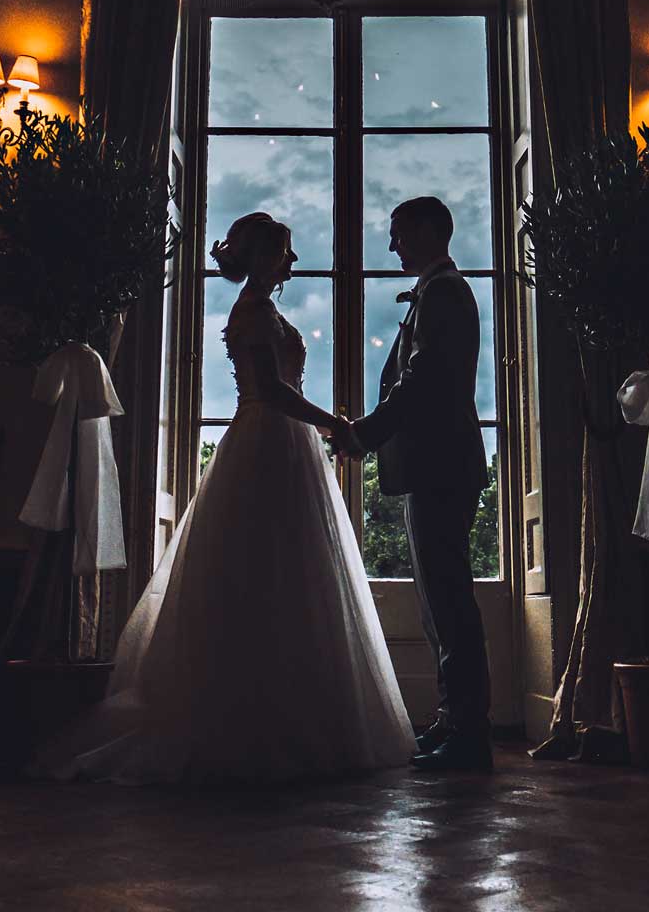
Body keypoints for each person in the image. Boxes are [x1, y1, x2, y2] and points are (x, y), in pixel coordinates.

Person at [33, 212, 413, 784]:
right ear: (260, 256)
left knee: (292, 576)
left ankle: (294, 718)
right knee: (263, 575)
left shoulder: (265, 310)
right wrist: (336, 426)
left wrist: (324, 430)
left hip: (283, 446)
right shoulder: (253, 313)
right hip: (266, 443)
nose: (292, 260)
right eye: (285, 250)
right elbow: (272, 392)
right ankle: (254, 724)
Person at [333, 196, 493, 772]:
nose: (392, 245)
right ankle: (453, 720)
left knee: (449, 601)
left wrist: (365, 434)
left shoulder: (444, 292)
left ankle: (469, 735)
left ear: (429, 231)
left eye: (399, 233)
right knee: (436, 601)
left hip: (441, 465)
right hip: (436, 465)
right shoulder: (437, 290)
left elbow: (422, 380)